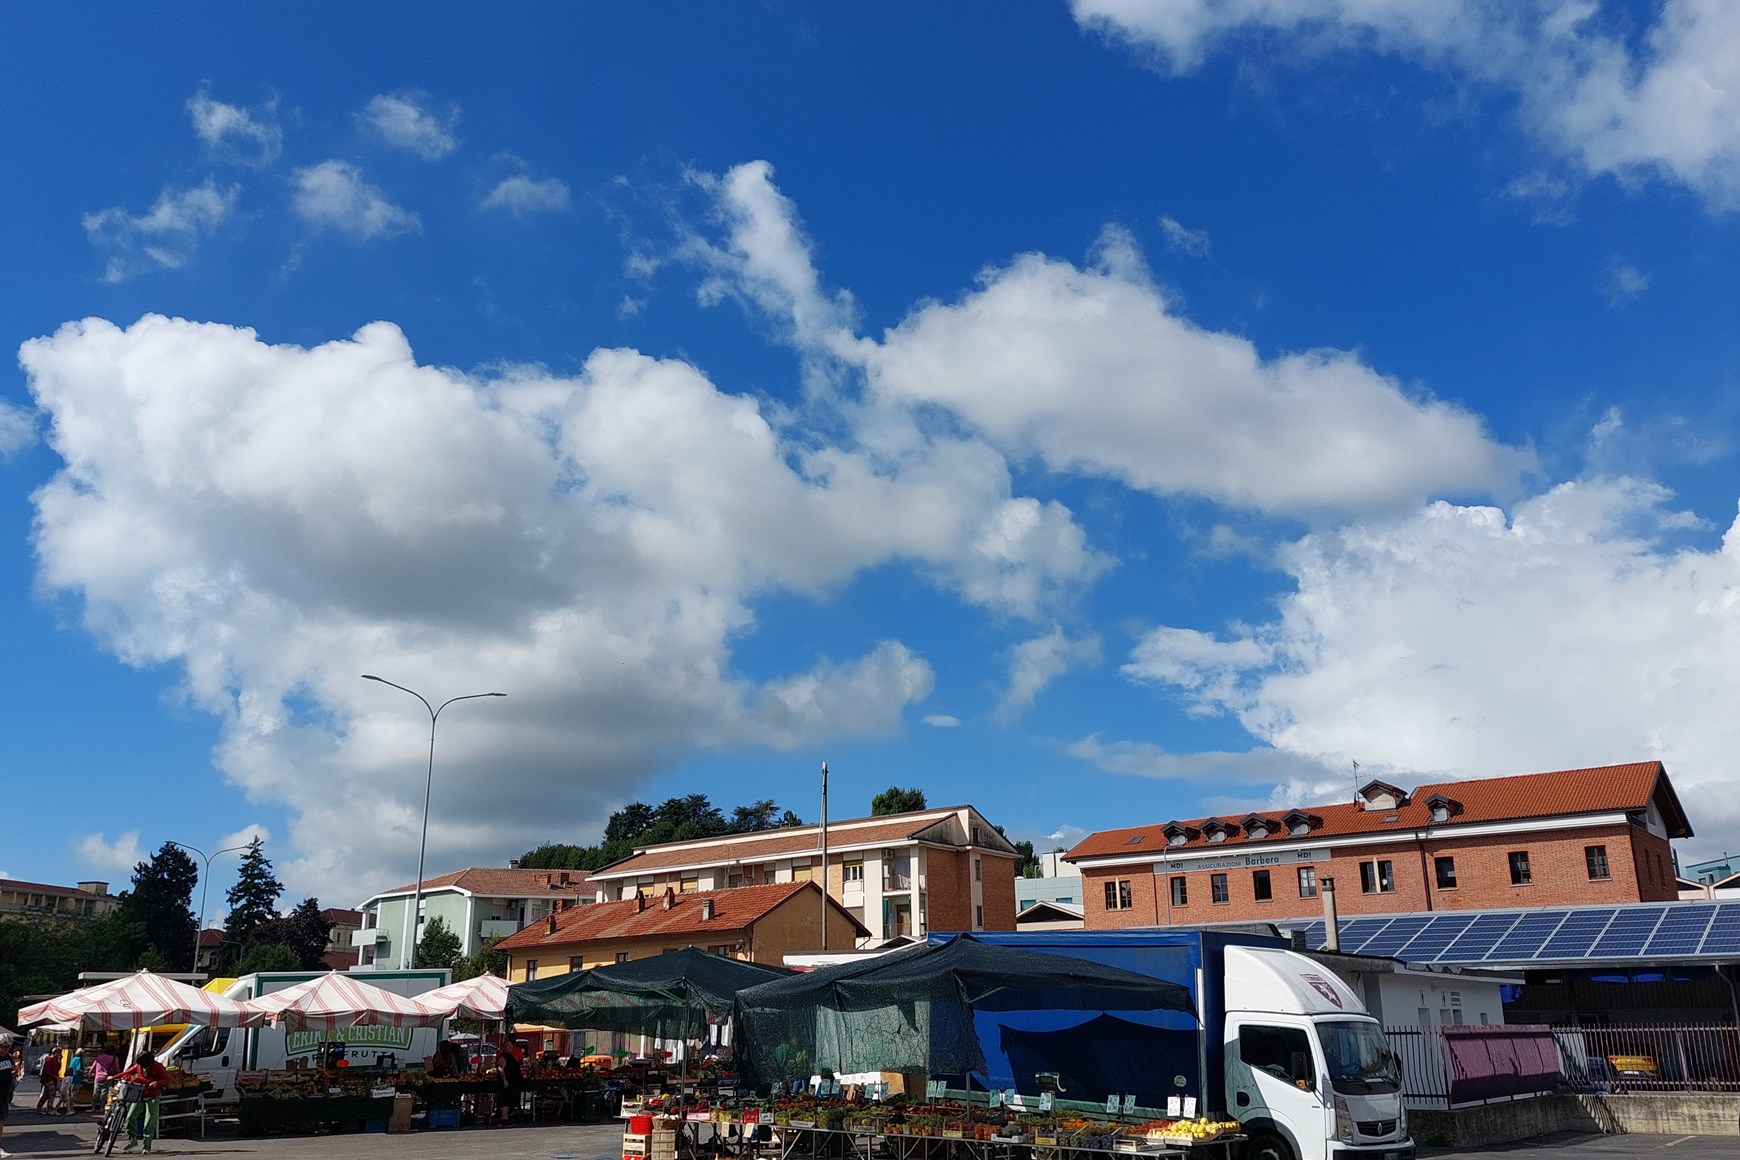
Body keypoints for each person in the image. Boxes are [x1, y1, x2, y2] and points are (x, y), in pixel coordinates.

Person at [115, 1049, 169, 1154]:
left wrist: (157, 1083)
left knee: (149, 1122)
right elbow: (127, 1072)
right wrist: (114, 1077)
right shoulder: (138, 1066)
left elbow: (166, 1079)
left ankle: (146, 1146)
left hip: (153, 1096)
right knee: (130, 1117)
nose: (143, 1068)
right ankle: (133, 1138)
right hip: (140, 1095)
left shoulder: (158, 1067)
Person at [0, 1033, 17, 1158]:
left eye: (8, 1047)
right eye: (4, 1046)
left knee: (1, 1121)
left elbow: (13, 1068)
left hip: (4, 1093)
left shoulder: (8, 1057)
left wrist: (14, 1072)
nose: (6, 1049)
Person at [33, 1048, 61, 1112]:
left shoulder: (56, 1060)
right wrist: (55, 1076)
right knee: (52, 1093)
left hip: (53, 1079)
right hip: (48, 1079)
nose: (59, 1054)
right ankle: (49, 1108)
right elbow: (48, 1070)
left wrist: (59, 1060)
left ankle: (40, 1107)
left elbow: (58, 1068)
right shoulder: (48, 1059)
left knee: (47, 1094)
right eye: (58, 1053)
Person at [60, 1048, 85, 1113]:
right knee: (74, 1093)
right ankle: (71, 1107)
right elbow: (78, 1068)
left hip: (71, 1077)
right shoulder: (79, 1059)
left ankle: (68, 1106)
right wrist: (85, 1072)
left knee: (70, 1093)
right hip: (76, 1077)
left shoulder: (73, 1058)